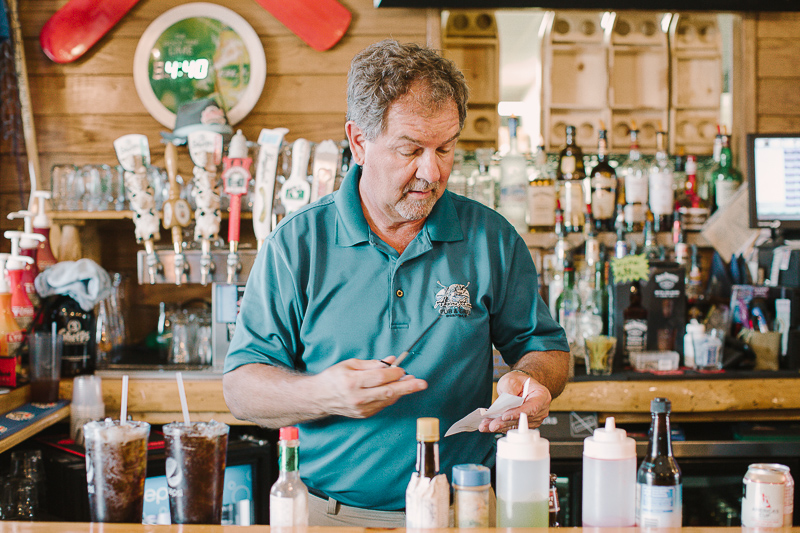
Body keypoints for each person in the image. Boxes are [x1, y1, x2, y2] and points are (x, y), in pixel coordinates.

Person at [223, 39, 570, 526]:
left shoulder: (491, 238)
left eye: (446, 148)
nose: (432, 171)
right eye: (411, 149)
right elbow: (241, 389)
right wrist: (325, 393)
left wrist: (531, 382)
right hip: (330, 515)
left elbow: (546, 348)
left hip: (463, 510)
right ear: (359, 141)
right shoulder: (297, 244)